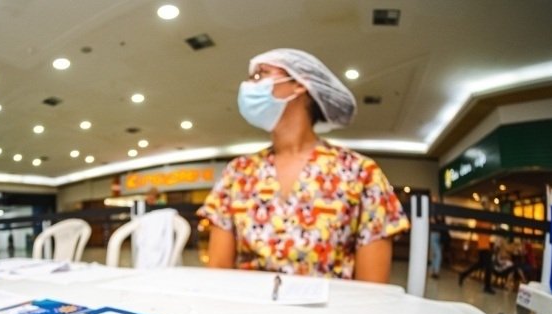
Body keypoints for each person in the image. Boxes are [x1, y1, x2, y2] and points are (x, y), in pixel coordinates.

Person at [198, 48, 408, 282]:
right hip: (249, 304)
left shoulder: (360, 173)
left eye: (260, 75)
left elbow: (373, 289)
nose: (249, 86)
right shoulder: (238, 173)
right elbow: (218, 272)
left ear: (299, 84)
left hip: (332, 306)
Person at [458, 203, 495, 293]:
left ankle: (463, 274)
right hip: (482, 246)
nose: (488, 208)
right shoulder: (480, 219)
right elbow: (473, 230)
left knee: (479, 265)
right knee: (489, 266)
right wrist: (468, 241)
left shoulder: (489, 220)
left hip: (487, 245)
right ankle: (487, 287)